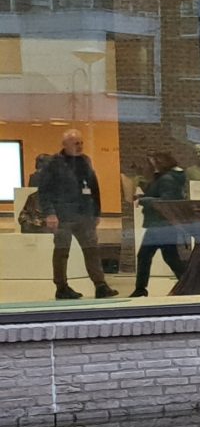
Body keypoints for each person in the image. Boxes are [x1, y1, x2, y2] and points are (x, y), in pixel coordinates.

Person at [35, 128, 113, 302]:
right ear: (65, 145)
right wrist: (50, 213)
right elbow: (44, 191)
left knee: (92, 250)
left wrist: (97, 212)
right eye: (76, 143)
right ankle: (61, 286)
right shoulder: (53, 164)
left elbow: (94, 187)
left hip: (84, 214)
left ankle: (100, 285)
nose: (80, 146)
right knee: (62, 252)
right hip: (63, 216)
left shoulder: (85, 161)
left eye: (81, 143)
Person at [132, 152, 193, 298]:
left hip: (160, 224)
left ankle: (141, 289)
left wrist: (143, 200)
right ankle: (188, 283)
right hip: (164, 223)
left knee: (146, 256)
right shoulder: (167, 178)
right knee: (170, 258)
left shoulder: (166, 179)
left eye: (152, 163)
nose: (150, 166)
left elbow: (166, 201)